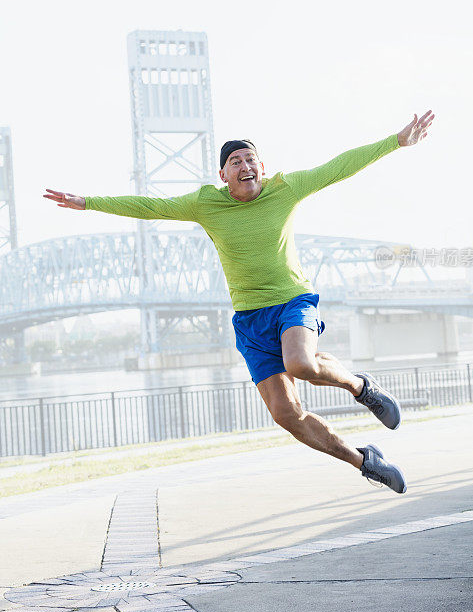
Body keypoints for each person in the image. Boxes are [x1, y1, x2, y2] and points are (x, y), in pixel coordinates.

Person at [44, 110, 434, 494]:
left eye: (251, 160)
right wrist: (89, 202)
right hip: (249, 321)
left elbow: (339, 166)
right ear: (223, 175)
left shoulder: (286, 188)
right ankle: (366, 461)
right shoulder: (204, 204)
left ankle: (362, 388)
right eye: (235, 162)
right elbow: (149, 207)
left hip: (291, 302)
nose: (245, 166)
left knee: (299, 364)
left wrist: (396, 142)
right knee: (287, 415)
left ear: (261, 167)